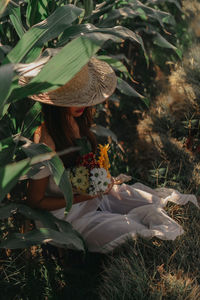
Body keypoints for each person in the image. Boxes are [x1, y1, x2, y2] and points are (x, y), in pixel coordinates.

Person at [22, 53, 199, 253]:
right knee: (135, 232)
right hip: (66, 217)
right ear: (56, 101)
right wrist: (83, 197)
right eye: (75, 99)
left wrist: (99, 182)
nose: (83, 105)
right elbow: (35, 201)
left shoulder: (76, 120)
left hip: (93, 198)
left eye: (84, 96)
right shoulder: (45, 142)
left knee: (154, 204)